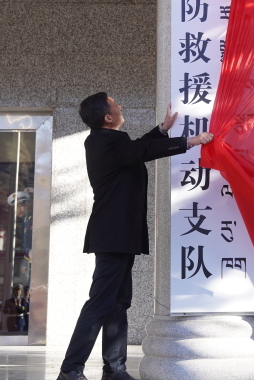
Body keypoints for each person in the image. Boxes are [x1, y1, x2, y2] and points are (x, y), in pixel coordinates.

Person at [57, 92, 213, 380]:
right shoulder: (107, 142)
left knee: (118, 303)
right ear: (108, 117)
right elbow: (143, 151)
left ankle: (114, 370)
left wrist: (162, 129)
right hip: (113, 234)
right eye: (115, 104)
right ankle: (70, 369)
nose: (120, 106)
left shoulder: (107, 141)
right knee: (100, 303)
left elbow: (137, 148)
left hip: (118, 234)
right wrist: (190, 141)